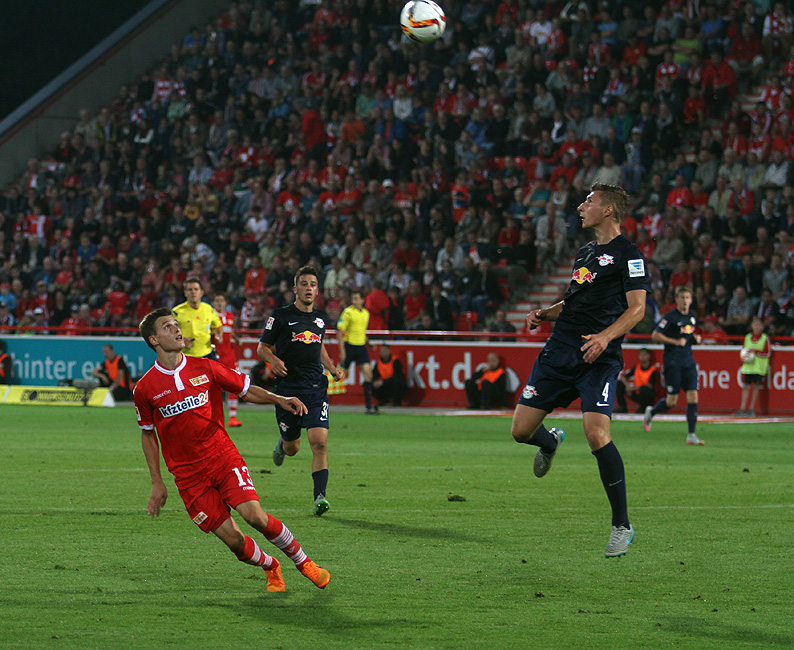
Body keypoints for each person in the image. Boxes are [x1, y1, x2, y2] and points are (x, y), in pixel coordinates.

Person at [134, 307, 330, 593]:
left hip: (222, 458)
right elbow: (148, 434)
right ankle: (270, 565)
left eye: (176, 324)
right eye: (167, 326)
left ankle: (305, 563)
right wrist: (157, 481)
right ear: (153, 340)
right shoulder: (145, 388)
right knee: (234, 541)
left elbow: (246, 389)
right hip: (188, 477)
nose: (177, 329)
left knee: (255, 517)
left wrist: (279, 399)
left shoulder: (206, 367)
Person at [512, 183, 650, 558]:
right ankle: (550, 442)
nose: (580, 207)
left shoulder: (630, 255)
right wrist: (546, 312)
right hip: (560, 350)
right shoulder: (585, 252)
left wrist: (605, 337)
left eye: (589, 202)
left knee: (596, 434)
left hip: (597, 357)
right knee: (521, 431)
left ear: (608, 210)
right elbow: (574, 300)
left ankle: (622, 525)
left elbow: (637, 309)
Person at [257, 266, 345, 516]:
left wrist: (332, 368)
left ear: (317, 291)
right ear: (295, 289)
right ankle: (283, 443)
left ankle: (320, 497)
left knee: (319, 443)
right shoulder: (281, 316)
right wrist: (273, 360)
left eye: (313, 285)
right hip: (288, 391)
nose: (308, 288)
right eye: (304, 284)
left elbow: (319, 346)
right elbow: (262, 347)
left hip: (315, 388)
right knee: (292, 448)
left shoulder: (321, 318)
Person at [643, 286, 705, 445]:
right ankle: (652, 411)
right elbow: (655, 335)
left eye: (687, 298)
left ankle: (691, 435)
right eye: (682, 298)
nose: (685, 301)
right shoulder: (670, 317)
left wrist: (695, 339)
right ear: (677, 300)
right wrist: (674, 342)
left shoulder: (692, 317)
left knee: (693, 396)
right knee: (672, 401)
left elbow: (687, 335)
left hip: (689, 362)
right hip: (673, 363)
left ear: (691, 300)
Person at [336, 290, 376, 414]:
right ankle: (322, 399)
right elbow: (340, 333)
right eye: (353, 299)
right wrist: (342, 351)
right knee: (339, 375)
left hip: (361, 347)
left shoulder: (366, 313)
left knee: (368, 375)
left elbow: (361, 331)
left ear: (362, 300)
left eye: (356, 299)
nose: (354, 301)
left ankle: (368, 407)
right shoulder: (347, 312)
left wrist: (368, 343)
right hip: (349, 347)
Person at [212, 293, 243, 428]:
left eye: (221, 301)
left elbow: (230, 331)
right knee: (214, 388)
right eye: (217, 301)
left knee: (234, 384)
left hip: (229, 356)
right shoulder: (210, 316)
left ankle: (232, 417)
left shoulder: (230, 316)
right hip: (216, 356)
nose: (219, 303)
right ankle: (215, 417)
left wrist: (236, 339)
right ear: (213, 303)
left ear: (225, 303)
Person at [173, 277, 222, 359]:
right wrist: (180, 340)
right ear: (185, 293)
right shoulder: (176, 312)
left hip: (207, 354)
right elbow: (166, 333)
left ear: (201, 292)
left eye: (196, 289)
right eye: (190, 289)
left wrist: (219, 336)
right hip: (186, 356)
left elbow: (218, 326)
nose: (193, 292)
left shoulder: (208, 309)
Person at [736, 316, 771, 417]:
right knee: (746, 386)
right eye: (755, 324)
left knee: (756, 387)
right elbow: (743, 350)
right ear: (751, 326)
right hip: (748, 366)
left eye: (758, 324)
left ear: (762, 326)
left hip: (759, 367)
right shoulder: (747, 337)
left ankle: (751, 409)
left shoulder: (764, 337)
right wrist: (744, 356)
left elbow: (768, 352)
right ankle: (742, 408)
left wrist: (756, 351)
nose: (756, 326)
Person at [615, 347, 660, 414]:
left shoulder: (653, 370)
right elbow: (624, 377)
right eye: (640, 355)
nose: (642, 357)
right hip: (637, 392)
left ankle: (643, 408)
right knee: (619, 384)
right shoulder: (637, 367)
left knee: (644, 389)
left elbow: (650, 386)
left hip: (648, 395)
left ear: (649, 356)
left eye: (644, 355)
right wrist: (628, 386)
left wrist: (633, 388)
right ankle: (622, 407)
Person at [371, 343, 407, 407]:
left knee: (398, 382)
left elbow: (398, 376)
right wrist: (375, 382)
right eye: (381, 351)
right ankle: (384, 401)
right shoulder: (378, 362)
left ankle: (397, 402)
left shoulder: (395, 361)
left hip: (394, 385)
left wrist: (383, 382)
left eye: (385, 351)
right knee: (369, 384)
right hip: (384, 386)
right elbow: (374, 375)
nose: (383, 353)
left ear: (389, 351)